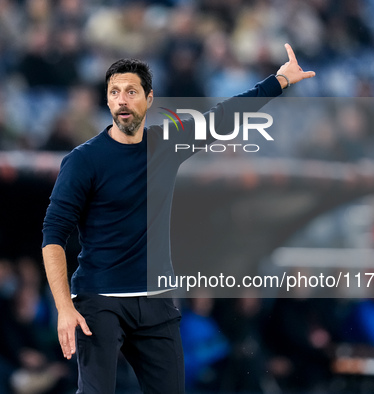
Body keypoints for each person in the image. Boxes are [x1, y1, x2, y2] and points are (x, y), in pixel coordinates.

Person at [42, 43, 315, 393]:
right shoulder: (83, 161)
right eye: (114, 93)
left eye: (131, 91)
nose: (122, 100)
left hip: (155, 299)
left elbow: (222, 117)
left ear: (149, 99)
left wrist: (278, 81)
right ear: (108, 102)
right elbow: (53, 235)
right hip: (100, 299)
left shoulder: (166, 145)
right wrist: (65, 307)